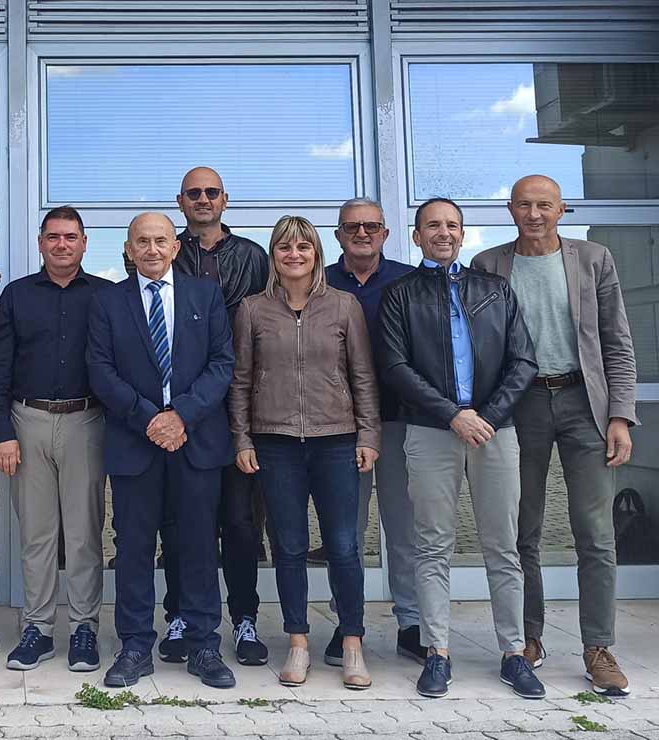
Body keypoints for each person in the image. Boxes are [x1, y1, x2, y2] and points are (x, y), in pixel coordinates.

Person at [472, 174, 637, 697]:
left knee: (595, 531)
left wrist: (620, 416)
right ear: (510, 209)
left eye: (544, 204)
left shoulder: (594, 259)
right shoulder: (488, 266)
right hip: (520, 406)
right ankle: (530, 638)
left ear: (561, 209)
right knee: (525, 530)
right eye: (524, 205)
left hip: (583, 403)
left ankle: (597, 647)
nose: (534, 213)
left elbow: (617, 342)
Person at [377, 197, 542, 700]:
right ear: (416, 236)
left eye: (451, 225)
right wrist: (453, 414)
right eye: (432, 226)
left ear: (463, 234)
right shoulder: (398, 295)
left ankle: (514, 654)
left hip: (495, 431)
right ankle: (438, 653)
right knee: (432, 545)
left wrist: (486, 418)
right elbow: (396, 368)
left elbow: (523, 360)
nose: (442, 233)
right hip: (430, 431)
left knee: (503, 546)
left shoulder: (494, 290)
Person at [87, 212, 236, 690]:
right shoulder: (108, 301)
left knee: (196, 545)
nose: (151, 249)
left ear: (176, 247)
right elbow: (100, 369)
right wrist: (149, 418)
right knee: (133, 547)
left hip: (194, 440)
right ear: (128, 249)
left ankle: (203, 645)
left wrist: (181, 416)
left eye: (160, 241)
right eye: (142, 242)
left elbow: (222, 363)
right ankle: (134, 645)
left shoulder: (205, 295)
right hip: (136, 441)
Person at [231, 216, 379, 690]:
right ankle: (297, 640)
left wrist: (368, 435)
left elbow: (362, 376)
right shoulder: (253, 310)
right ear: (272, 255)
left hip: (336, 440)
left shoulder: (344, 306)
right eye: (284, 248)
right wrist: (242, 438)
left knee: (342, 546)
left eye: (303, 247)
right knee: (289, 547)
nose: (294, 255)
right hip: (275, 443)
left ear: (316, 253)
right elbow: (241, 382)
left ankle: (352, 641)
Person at [140, 167, 271, 667]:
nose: (202, 199)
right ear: (180, 201)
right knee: (177, 523)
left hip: (236, 408)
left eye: (211, 192)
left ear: (225, 199)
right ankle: (180, 615)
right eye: (193, 193)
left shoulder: (253, 258)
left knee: (239, 522)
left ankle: (244, 618)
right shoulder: (165, 251)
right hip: (176, 415)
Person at [0, 206, 111, 673]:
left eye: (70, 237)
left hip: (86, 422)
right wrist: (1, 431)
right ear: (40, 243)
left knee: (82, 535)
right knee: (37, 534)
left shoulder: (105, 296)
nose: (62, 244)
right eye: (53, 237)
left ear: (83, 243)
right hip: (26, 422)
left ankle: (84, 629)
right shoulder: (16, 297)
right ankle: (37, 628)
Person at [322, 198, 424, 666]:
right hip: (341, 425)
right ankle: (348, 624)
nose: (362, 233)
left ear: (385, 233)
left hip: (401, 419)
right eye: (352, 227)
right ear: (339, 234)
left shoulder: (408, 280)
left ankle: (412, 623)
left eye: (371, 226)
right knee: (346, 532)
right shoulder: (319, 281)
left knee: (403, 527)